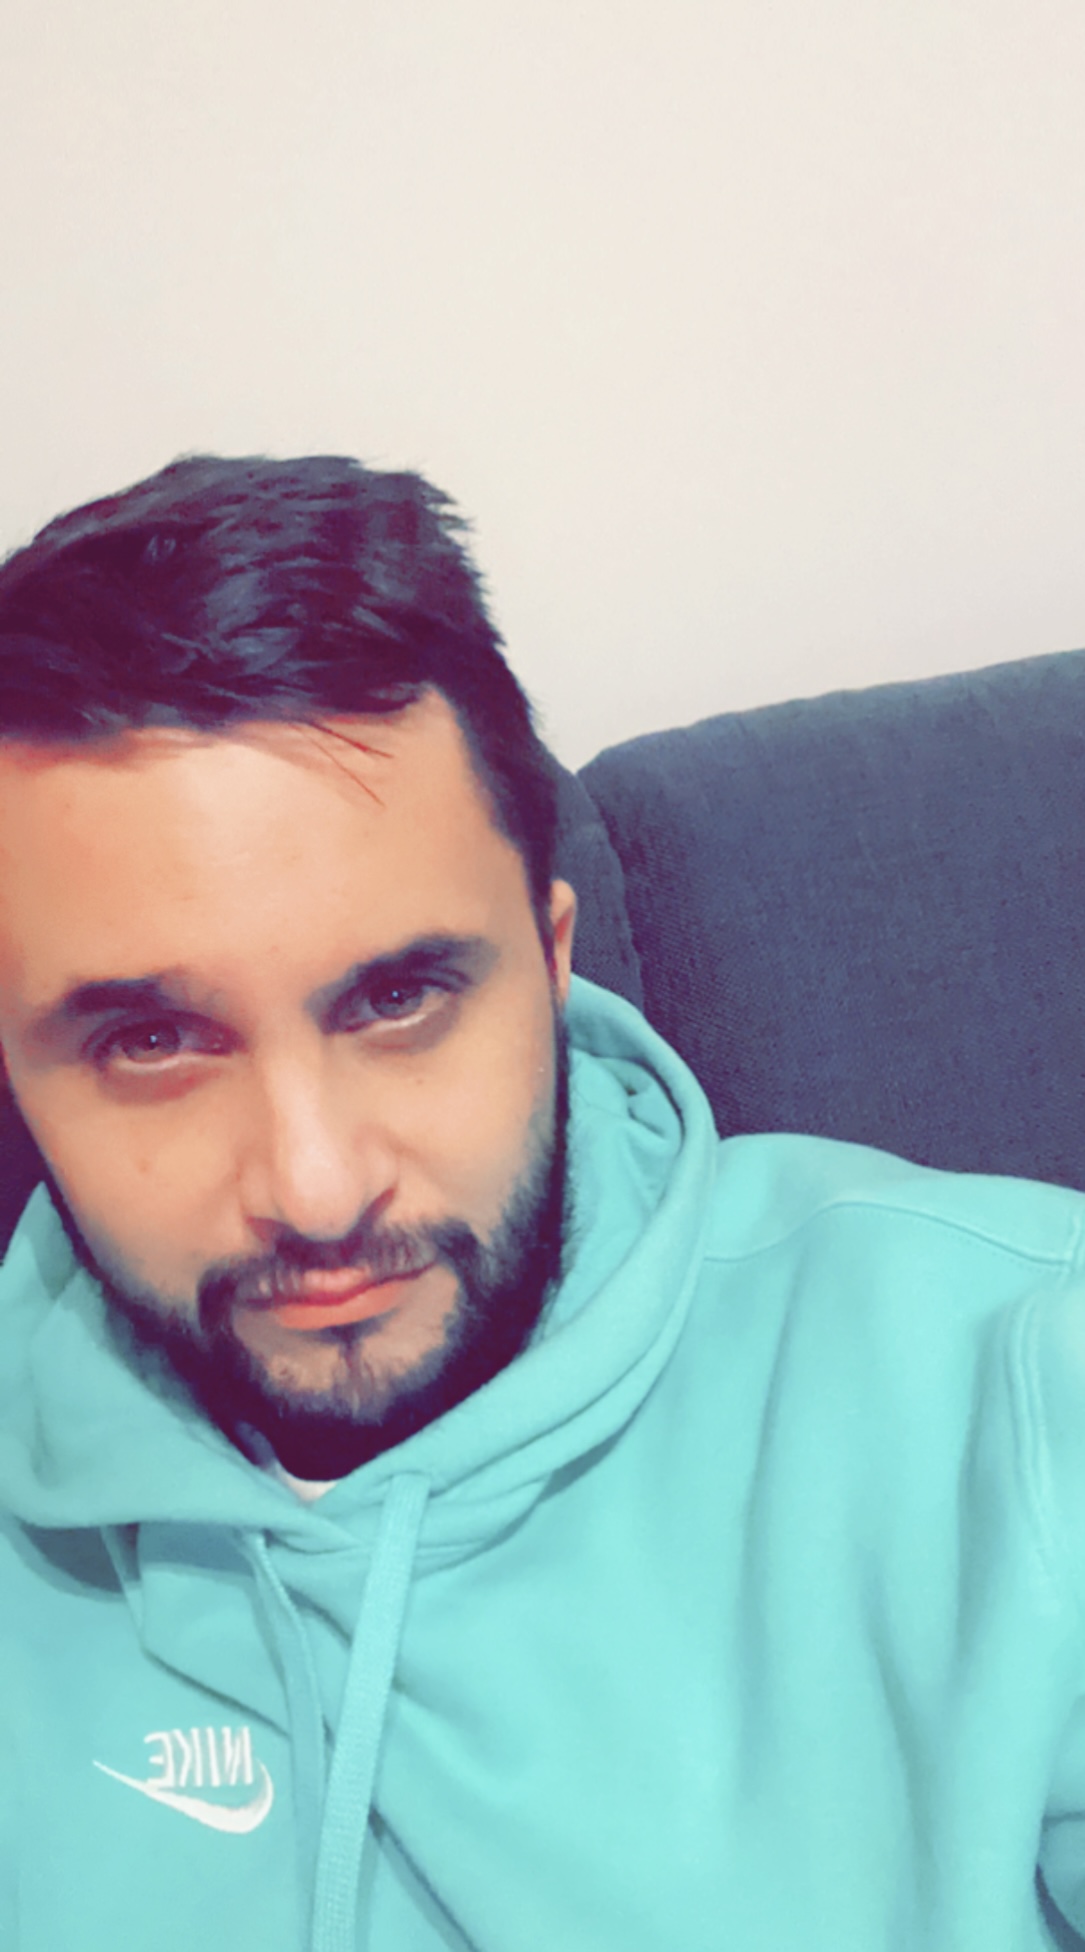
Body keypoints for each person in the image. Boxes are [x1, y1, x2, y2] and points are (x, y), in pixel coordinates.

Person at [0, 456, 1083, 1952]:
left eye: (398, 1000)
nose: (315, 1190)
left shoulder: (1021, 1388)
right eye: (150, 1042)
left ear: (554, 960)